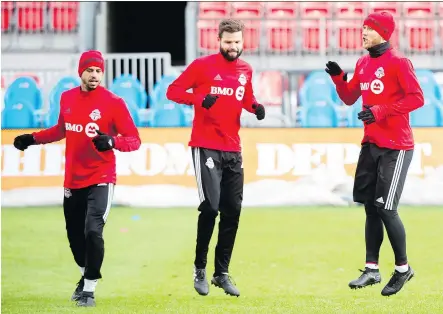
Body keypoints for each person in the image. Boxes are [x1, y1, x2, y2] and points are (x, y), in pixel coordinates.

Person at [13, 50, 141, 307]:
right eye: (90, 70)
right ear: (80, 72)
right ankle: (84, 277)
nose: (95, 75)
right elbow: (61, 129)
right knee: (75, 238)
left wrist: (112, 141)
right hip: (73, 179)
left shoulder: (114, 102)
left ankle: (89, 290)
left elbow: (134, 140)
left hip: (102, 177)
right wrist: (32, 138)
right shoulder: (67, 98)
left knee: (93, 231)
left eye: (98, 71)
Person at [325, 12, 424, 296]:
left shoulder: (399, 62)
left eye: (369, 28)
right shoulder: (363, 63)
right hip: (371, 144)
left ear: (383, 33)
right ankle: (371, 269)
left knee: (386, 207)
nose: (363, 32)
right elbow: (348, 97)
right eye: (363, 27)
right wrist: (338, 78)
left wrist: (379, 111)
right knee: (370, 206)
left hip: (397, 147)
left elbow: (417, 97)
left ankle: (403, 270)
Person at [166, 19, 265, 297]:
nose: (233, 47)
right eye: (228, 42)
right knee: (210, 207)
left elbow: (246, 97)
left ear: (243, 42)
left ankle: (221, 273)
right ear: (218, 41)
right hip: (206, 145)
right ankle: (199, 268)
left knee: (232, 211)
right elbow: (172, 90)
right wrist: (199, 100)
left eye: (237, 42)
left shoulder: (246, 69)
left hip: (233, 149)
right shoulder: (202, 66)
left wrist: (255, 107)